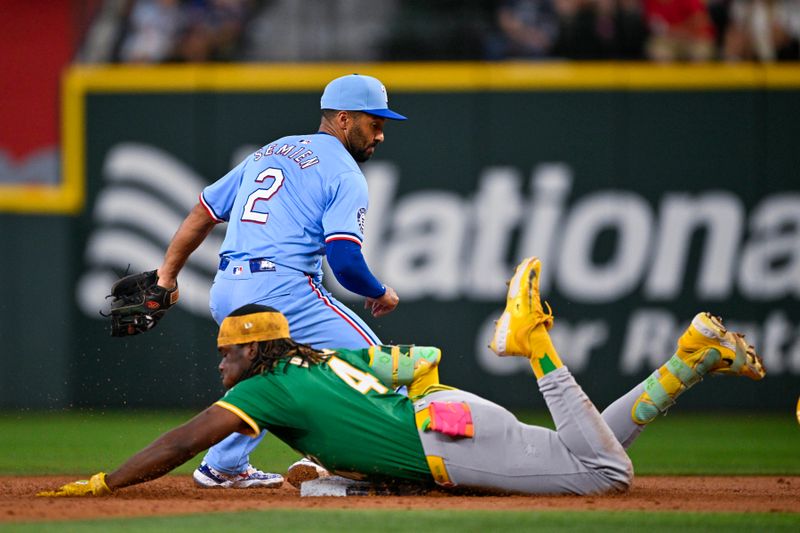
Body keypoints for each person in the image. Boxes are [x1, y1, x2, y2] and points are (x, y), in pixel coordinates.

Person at [39, 257, 766, 497]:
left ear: (253, 353)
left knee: (605, 473)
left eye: (228, 353)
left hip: (446, 442)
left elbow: (181, 441)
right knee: (588, 445)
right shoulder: (319, 360)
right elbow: (404, 366)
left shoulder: (257, 389)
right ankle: (689, 360)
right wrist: (334, 475)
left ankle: (536, 341)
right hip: (446, 412)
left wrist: (107, 482)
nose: (220, 362)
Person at [152, 73, 405, 488]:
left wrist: (167, 277)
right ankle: (388, 460)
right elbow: (344, 261)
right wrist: (380, 291)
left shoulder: (268, 152)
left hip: (228, 288)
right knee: (380, 367)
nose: (380, 135)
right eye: (374, 123)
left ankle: (223, 465)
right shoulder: (344, 173)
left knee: (274, 368)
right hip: (281, 289)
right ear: (344, 119)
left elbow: (203, 211)